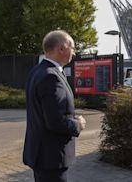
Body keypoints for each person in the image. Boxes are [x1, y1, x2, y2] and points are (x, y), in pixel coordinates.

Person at [23, 30, 86, 182]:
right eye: (73, 47)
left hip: (42, 154)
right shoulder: (51, 77)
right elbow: (54, 121)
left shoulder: (37, 72)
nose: (74, 53)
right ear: (62, 48)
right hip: (51, 157)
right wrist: (78, 124)